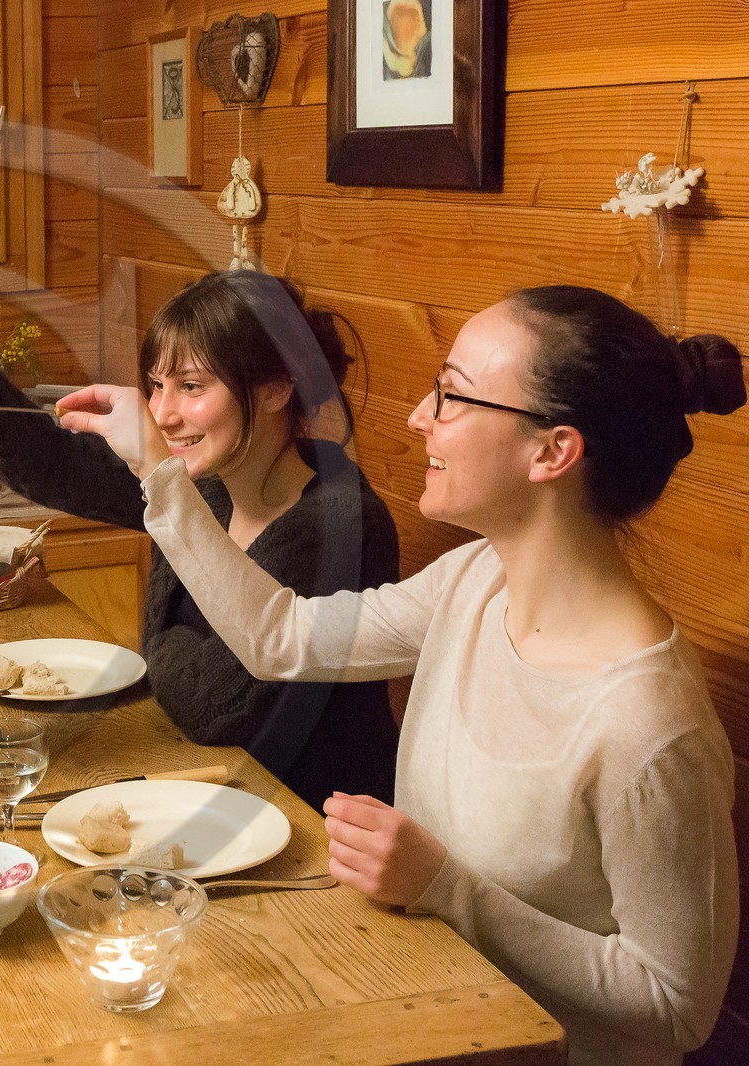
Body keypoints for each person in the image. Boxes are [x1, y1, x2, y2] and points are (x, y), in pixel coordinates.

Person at [55, 282, 742, 1064]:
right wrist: (159, 472)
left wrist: (449, 889)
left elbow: (677, 1009)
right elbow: (278, 638)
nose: (419, 416)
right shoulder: (473, 582)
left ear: (553, 452)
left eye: (451, 396)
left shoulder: (648, 725)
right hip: (416, 1005)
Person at [0, 271, 401, 803]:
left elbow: (208, 706)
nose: (161, 415)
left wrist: (162, 646)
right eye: (157, 385)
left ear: (277, 388)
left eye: (192, 386)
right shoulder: (208, 480)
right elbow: (57, 468)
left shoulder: (337, 528)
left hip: (314, 821)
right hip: (207, 780)